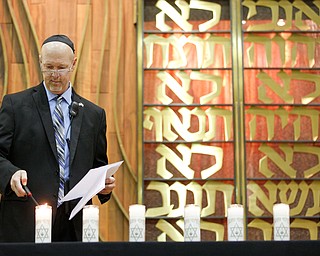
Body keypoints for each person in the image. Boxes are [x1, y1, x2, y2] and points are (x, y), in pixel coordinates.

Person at [0, 34, 115, 242]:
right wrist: (11, 174)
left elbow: (99, 167)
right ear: (40, 61)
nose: (54, 74)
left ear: (73, 64)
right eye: (49, 67)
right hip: (26, 220)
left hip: (74, 225)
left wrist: (105, 186)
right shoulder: (15, 106)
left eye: (61, 67)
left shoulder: (94, 114)